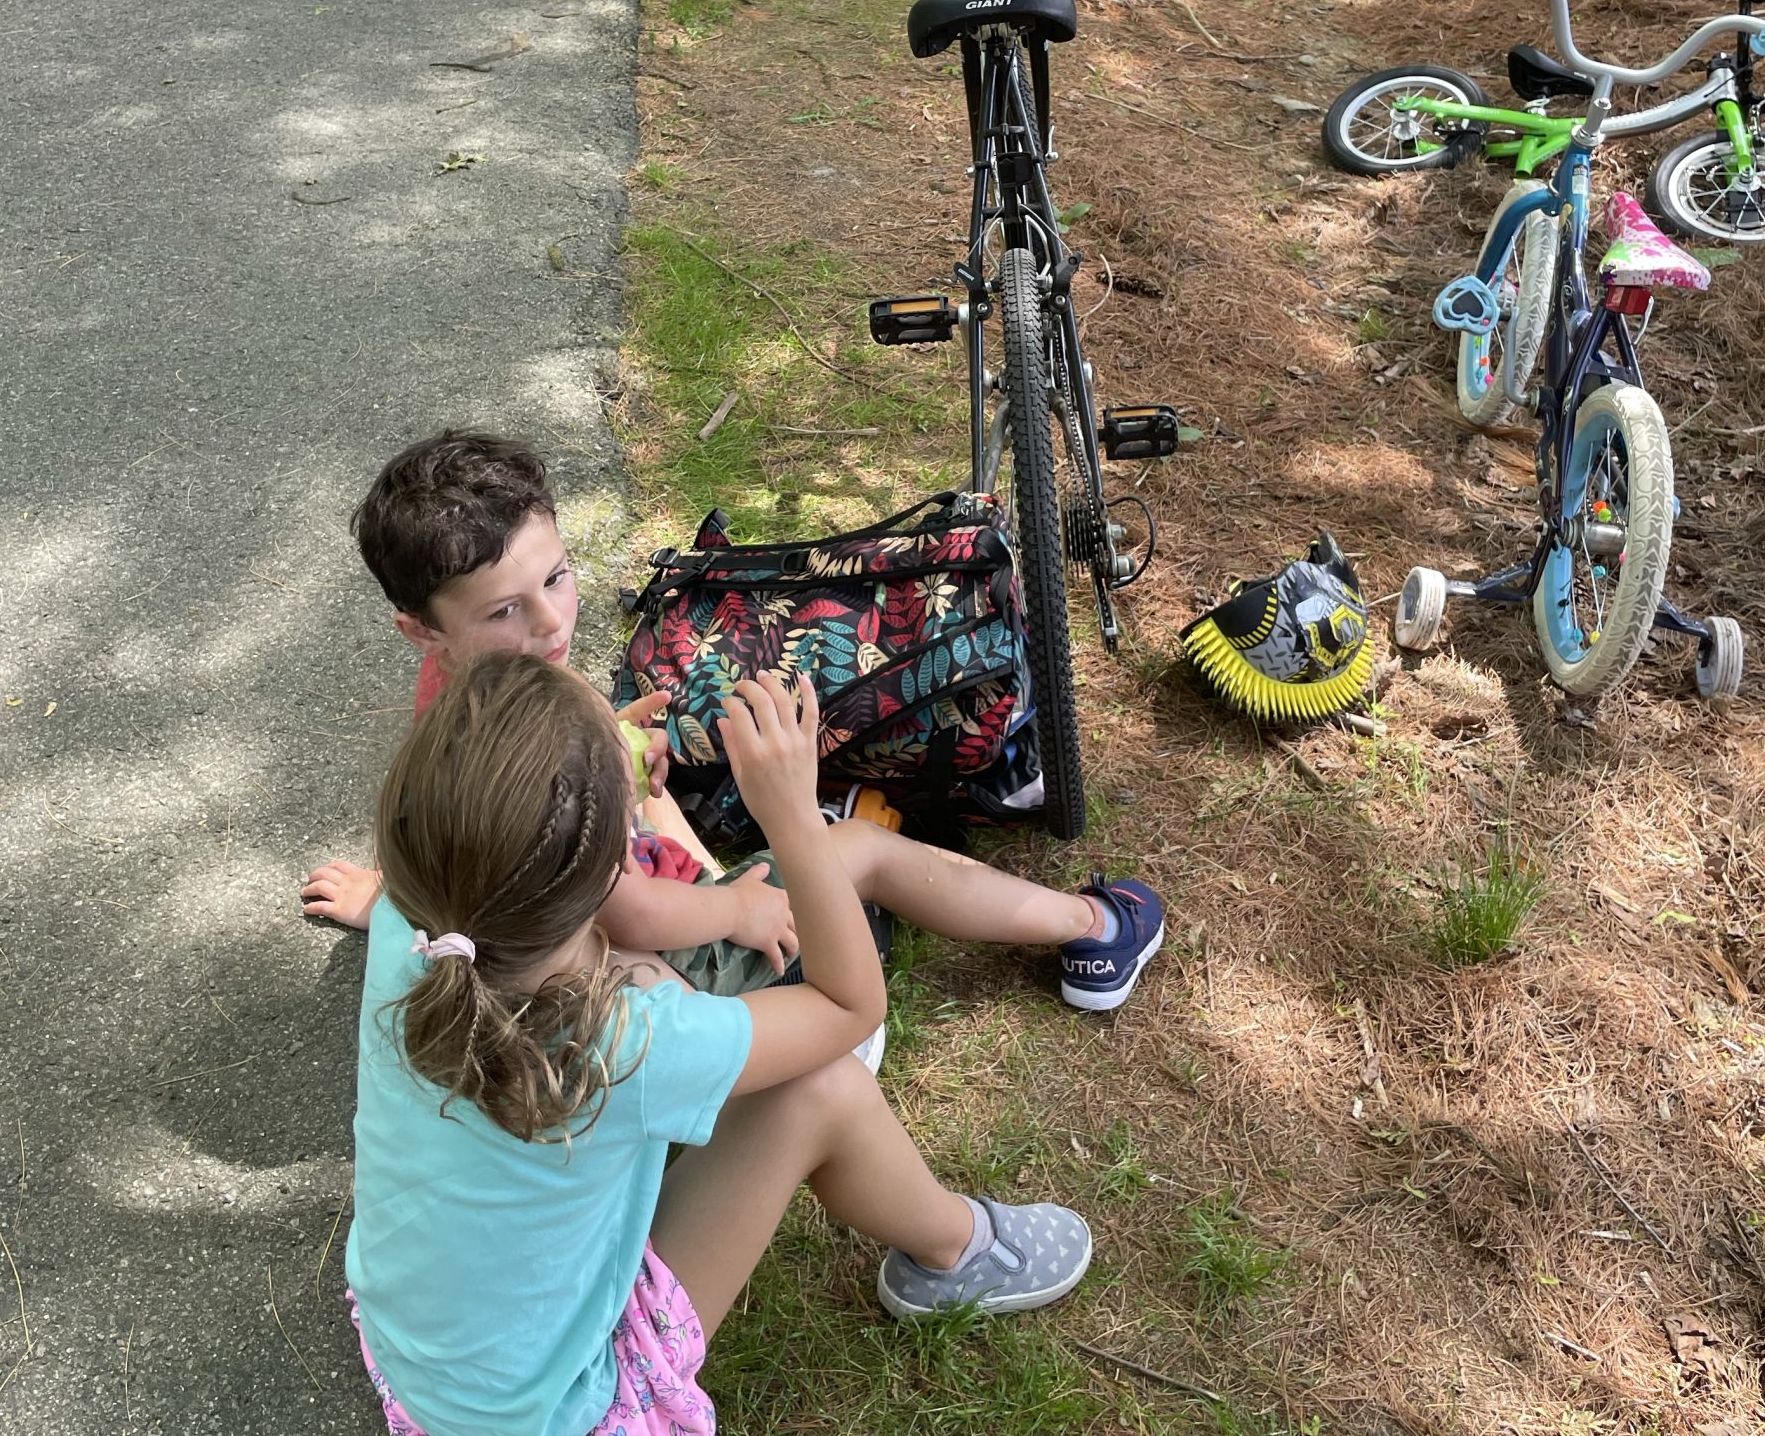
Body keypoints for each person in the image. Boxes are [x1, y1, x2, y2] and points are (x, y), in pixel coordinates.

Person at [349, 656, 1097, 1436]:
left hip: (426, 1363)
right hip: (555, 1434)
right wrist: (792, 815)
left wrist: (582, 787)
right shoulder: (630, 1041)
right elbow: (850, 1007)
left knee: (675, 989)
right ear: (603, 877)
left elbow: (591, 916)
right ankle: (954, 1250)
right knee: (820, 1084)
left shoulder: (418, 922)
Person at [301, 430, 1165, 1014]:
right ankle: (1094, 931)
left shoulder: (459, 704)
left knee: (811, 829)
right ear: (422, 627)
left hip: (618, 958)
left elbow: (471, 847)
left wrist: (392, 899)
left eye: (556, 579)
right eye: (505, 612)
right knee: (858, 849)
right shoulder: (530, 760)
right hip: (685, 988)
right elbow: (629, 913)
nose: (551, 624)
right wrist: (736, 909)